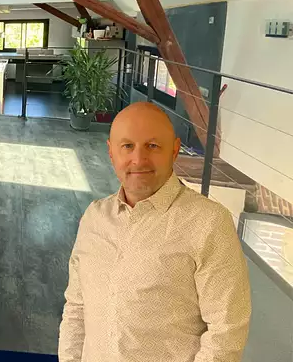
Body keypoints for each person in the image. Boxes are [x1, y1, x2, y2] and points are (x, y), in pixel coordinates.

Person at [58, 102, 251, 362]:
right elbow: (76, 307)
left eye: (152, 146)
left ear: (174, 150)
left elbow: (226, 331)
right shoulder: (95, 218)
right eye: (128, 146)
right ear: (111, 153)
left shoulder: (209, 223)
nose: (139, 159)